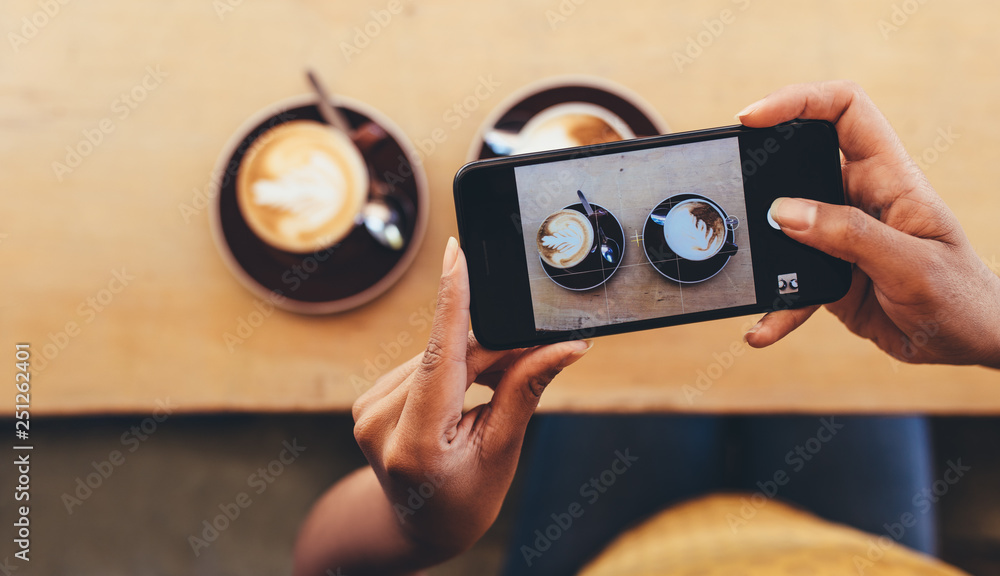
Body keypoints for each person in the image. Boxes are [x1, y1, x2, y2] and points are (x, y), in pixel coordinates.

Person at [291, 81, 1000, 576]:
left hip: (612, 556)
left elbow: (320, 562)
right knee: (829, 355)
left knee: (634, 354)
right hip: (852, 553)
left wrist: (424, 526)